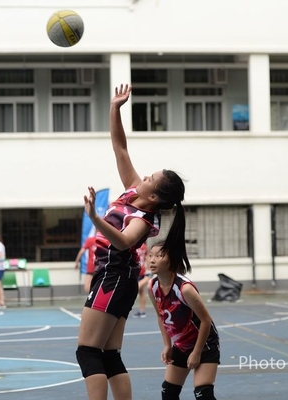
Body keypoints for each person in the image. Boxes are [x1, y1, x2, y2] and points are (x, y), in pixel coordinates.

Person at [76, 84, 189, 400]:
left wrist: (95, 218)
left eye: (151, 179)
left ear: (153, 197)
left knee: (88, 351)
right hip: (116, 279)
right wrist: (115, 108)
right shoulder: (132, 191)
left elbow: (124, 242)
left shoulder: (143, 219)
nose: (145, 177)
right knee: (109, 355)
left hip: (114, 278)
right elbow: (120, 148)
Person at [147, 241, 220, 400]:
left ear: (172, 260)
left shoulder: (184, 288)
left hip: (204, 344)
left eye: (159, 256)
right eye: (150, 255)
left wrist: (197, 352)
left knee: (203, 394)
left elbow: (206, 321)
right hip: (181, 345)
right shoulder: (152, 286)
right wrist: (167, 345)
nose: (152, 260)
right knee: (168, 392)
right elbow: (160, 316)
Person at [132, 243, 149, 318]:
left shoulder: (138, 245)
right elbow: (146, 258)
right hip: (139, 270)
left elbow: (147, 258)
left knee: (137, 290)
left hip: (138, 270)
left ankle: (142, 311)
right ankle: (142, 311)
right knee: (141, 292)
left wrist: (148, 270)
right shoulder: (143, 246)